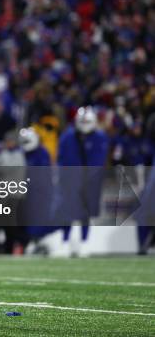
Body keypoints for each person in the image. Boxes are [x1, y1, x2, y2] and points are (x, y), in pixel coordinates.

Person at [54, 107, 109, 257]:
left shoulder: (100, 137)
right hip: (70, 179)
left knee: (86, 212)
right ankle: (65, 242)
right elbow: (61, 158)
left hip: (89, 180)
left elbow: (99, 161)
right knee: (67, 211)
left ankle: (85, 242)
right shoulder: (68, 136)